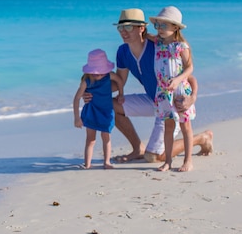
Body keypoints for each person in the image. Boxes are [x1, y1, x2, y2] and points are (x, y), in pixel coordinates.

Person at [84, 9, 212, 163]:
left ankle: (201, 138)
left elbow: (189, 77)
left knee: (154, 157)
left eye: (129, 27)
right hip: (154, 100)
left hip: (172, 104)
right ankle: (138, 148)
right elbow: (119, 83)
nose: (123, 32)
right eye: (121, 28)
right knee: (109, 105)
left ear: (141, 28)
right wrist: (91, 91)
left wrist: (192, 97)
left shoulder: (157, 47)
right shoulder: (123, 51)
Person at [151, 6, 196, 172]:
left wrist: (177, 80)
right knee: (168, 126)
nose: (160, 29)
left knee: (185, 126)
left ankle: (188, 161)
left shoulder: (180, 46)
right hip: (163, 93)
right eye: (158, 25)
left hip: (180, 91)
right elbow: (144, 36)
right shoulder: (157, 43)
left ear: (175, 27)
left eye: (164, 25)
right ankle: (168, 161)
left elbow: (190, 68)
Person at [73, 49, 124, 169]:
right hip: (91, 112)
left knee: (106, 137)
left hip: (106, 112)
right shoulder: (86, 82)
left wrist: (121, 94)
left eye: (101, 72)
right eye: (95, 73)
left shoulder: (109, 76)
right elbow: (76, 99)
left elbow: (120, 81)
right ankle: (87, 164)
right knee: (90, 139)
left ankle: (107, 162)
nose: (98, 75)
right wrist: (76, 118)